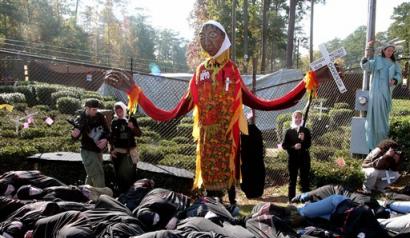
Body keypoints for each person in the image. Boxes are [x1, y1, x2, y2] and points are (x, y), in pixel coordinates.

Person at [105, 20, 335, 212]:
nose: (206, 38)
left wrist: (308, 82)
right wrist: (134, 92)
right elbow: (170, 113)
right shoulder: (199, 73)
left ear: (223, 38)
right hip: (205, 147)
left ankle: (227, 206)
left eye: (212, 33)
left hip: (227, 145)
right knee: (210, 193)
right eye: (202, 34)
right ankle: (214, 209)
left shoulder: (232, 72)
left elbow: (265, 103)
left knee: (227, 186)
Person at [360, 41, 402, 150]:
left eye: (392, 51)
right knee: (374, 117)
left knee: (383, 116)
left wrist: (395, 79)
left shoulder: (394, 63)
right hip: (376, 91)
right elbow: (367, 66)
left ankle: (383, 143)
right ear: (384, 50)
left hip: (386, 92)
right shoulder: (377, 60)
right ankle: (373, 145)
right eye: (388, 50)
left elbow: (399, 75)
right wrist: (366, 56)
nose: (390, 52)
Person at [71, 98, 110, 187]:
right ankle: (102, 196)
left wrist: (105, 139)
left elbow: (107, 131)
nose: (95, 111)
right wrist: (74, 135)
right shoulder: (81, 119)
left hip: (98, 150)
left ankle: (86, 195)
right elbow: (74, 138)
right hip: (87, 151)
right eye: (93, 109)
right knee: (98, 174)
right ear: (87, 108)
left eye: (96, 109)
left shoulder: (100, 116)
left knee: (91, 175)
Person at [110, 101, 142, 194]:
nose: (118, 113)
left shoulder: (131, 119)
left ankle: (131, 194)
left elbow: (139, 134)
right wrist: (111, 151)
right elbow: (111, 137)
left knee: (131, 175)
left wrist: (132, 127)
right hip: (118, 152)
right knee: (119, 176)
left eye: (120, 110)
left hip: (130, 152)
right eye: (116, 111)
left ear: (124, 110)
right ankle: (121, 194)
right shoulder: (114, 122)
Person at [282, 110, 311, 202]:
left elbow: (309, 144)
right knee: (292, 180)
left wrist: (303, 140)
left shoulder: (305, 130)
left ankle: (305, 199)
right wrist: (293, 146)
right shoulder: (289, 131)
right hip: (293, 159)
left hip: (304, 158)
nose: (298, 119)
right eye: (296, 117)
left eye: (300, 117)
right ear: (293, 118)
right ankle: (292, 200)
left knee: (305, 179)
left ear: (302, 118)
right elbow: (284, 145)